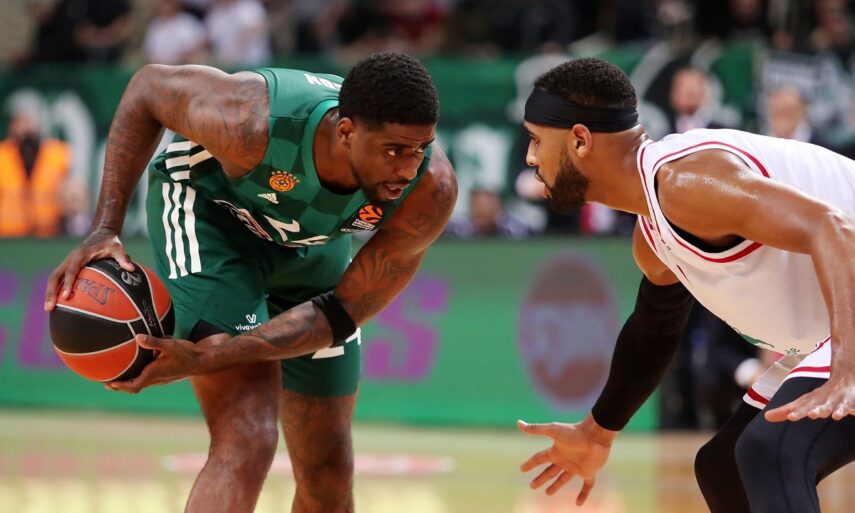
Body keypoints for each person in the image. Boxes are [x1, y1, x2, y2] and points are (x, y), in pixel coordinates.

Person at [43, 53, 457, 513]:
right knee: (249, 434)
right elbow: (147, 89)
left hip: (309, 245)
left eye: (421, 148)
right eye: (394, 150)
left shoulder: (431, 189)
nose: (408, 168)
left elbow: (341, 311)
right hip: (212, 220)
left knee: (329, 469)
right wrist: (105, 227)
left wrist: (211, 356)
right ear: (346, 132)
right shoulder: (250, 120)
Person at [514, 57, 855, 513]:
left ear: (579, 139)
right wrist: (597, 432)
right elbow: (653, 329)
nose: (530, 157)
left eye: (537, 140)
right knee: (724, 467)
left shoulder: (687, 182)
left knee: (771, 453)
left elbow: (833, 229)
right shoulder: (655, 232)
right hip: (830, 330)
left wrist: (848, 365)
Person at [0, 109, 73, 237]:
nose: (26, 128)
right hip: (7, 233)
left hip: (49, 233)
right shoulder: (2, 155)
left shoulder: (59, 154)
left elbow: (73, 193)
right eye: (21, 122)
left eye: (29, 121)